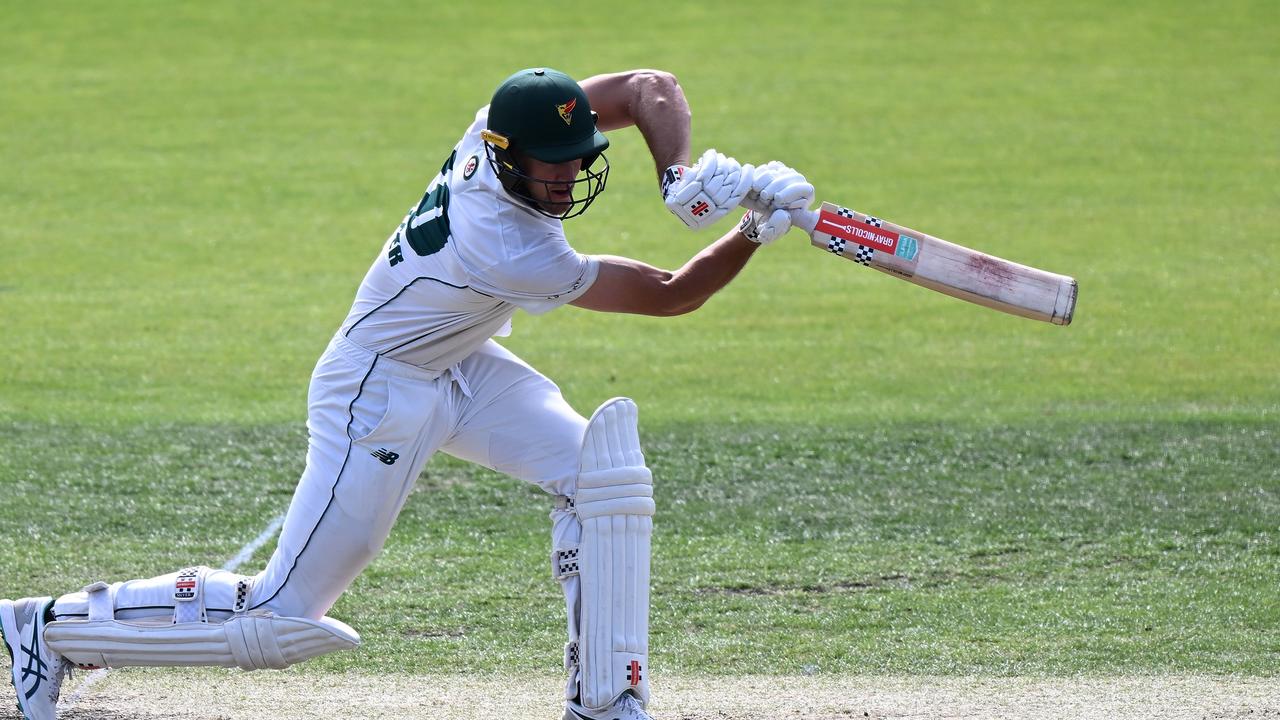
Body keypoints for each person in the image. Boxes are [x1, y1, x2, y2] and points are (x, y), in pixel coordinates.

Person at [1, 67, 812, 720]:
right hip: (377, 391)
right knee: (280, 617)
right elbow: (671, 293)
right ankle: (49, 626)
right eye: (552, 165)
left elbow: (649, 88)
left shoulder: (493, 127)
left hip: (459, 362)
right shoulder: (505, 244)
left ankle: (606, 700)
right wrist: (751, 228)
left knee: (600, 481)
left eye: (579, 158)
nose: (570, 177)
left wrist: (678, 177)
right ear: (504, 157)